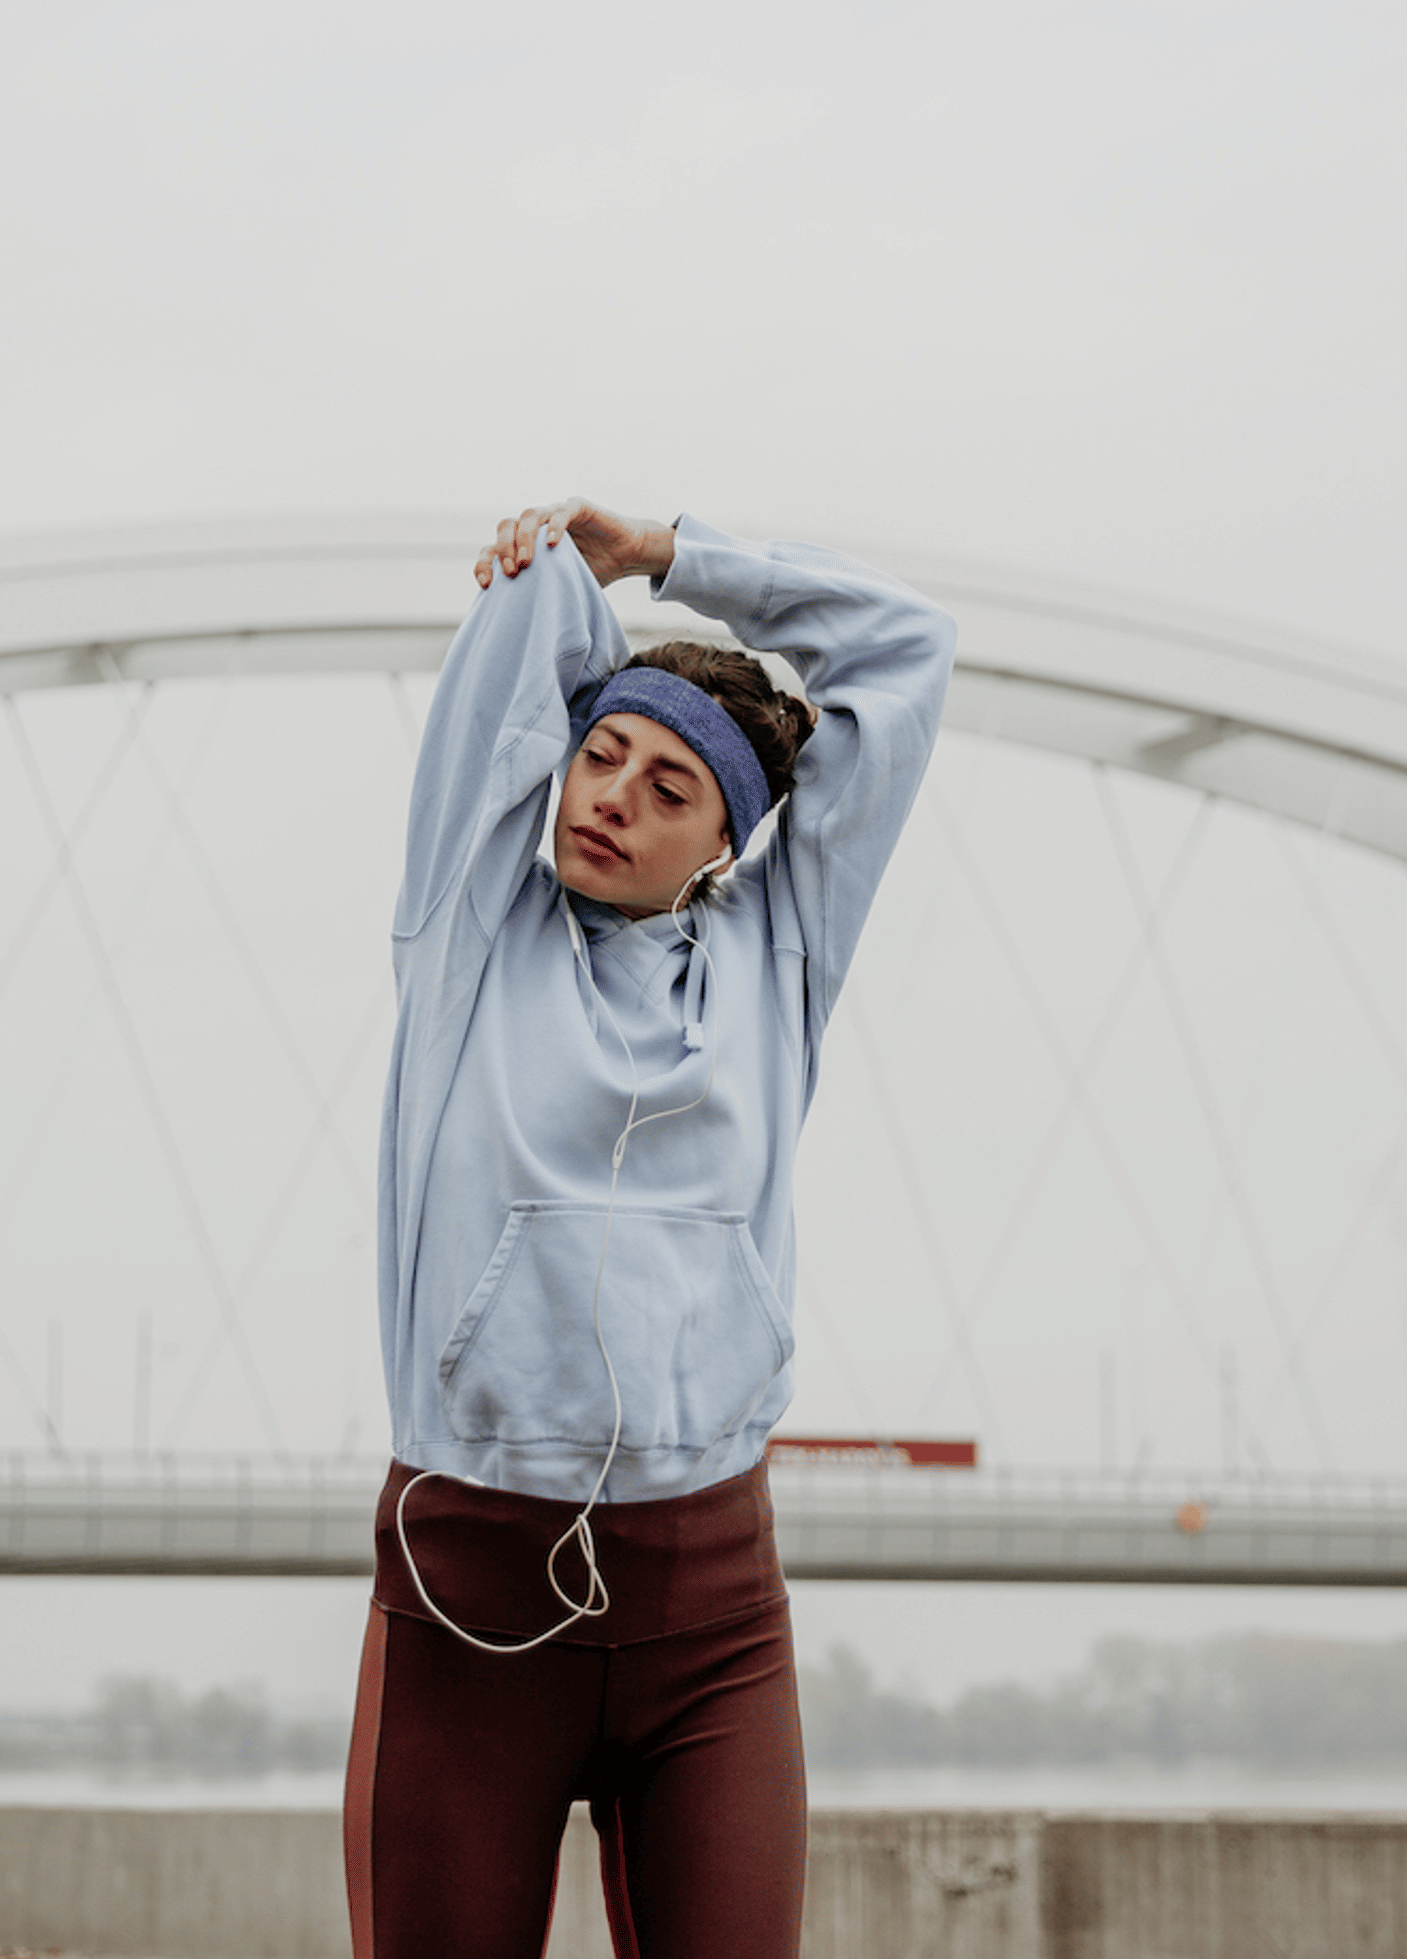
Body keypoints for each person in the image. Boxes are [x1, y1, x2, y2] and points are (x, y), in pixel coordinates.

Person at [346, 497, 956, 1959]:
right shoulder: (468, 935)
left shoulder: (777, 959)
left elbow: (905, 648)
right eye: (599, 754)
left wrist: (669, 558)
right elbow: (519, 653)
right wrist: (558, 564)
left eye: (669, 785)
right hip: (471, 1603)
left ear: (729, 846)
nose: (610, 794)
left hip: (711, 1619)